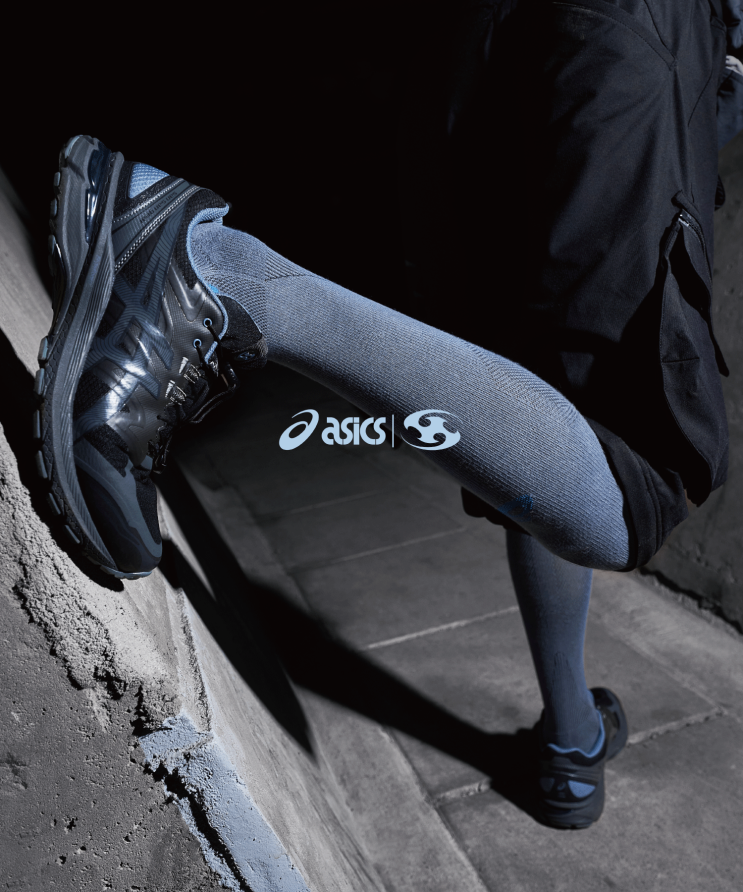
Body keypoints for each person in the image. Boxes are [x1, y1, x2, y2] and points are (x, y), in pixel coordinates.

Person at [33, 0, 740, 830]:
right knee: (632, 483)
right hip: (637, 31)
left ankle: (569, 731)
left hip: (479, 37)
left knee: (543, 406)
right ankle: (208, 273)